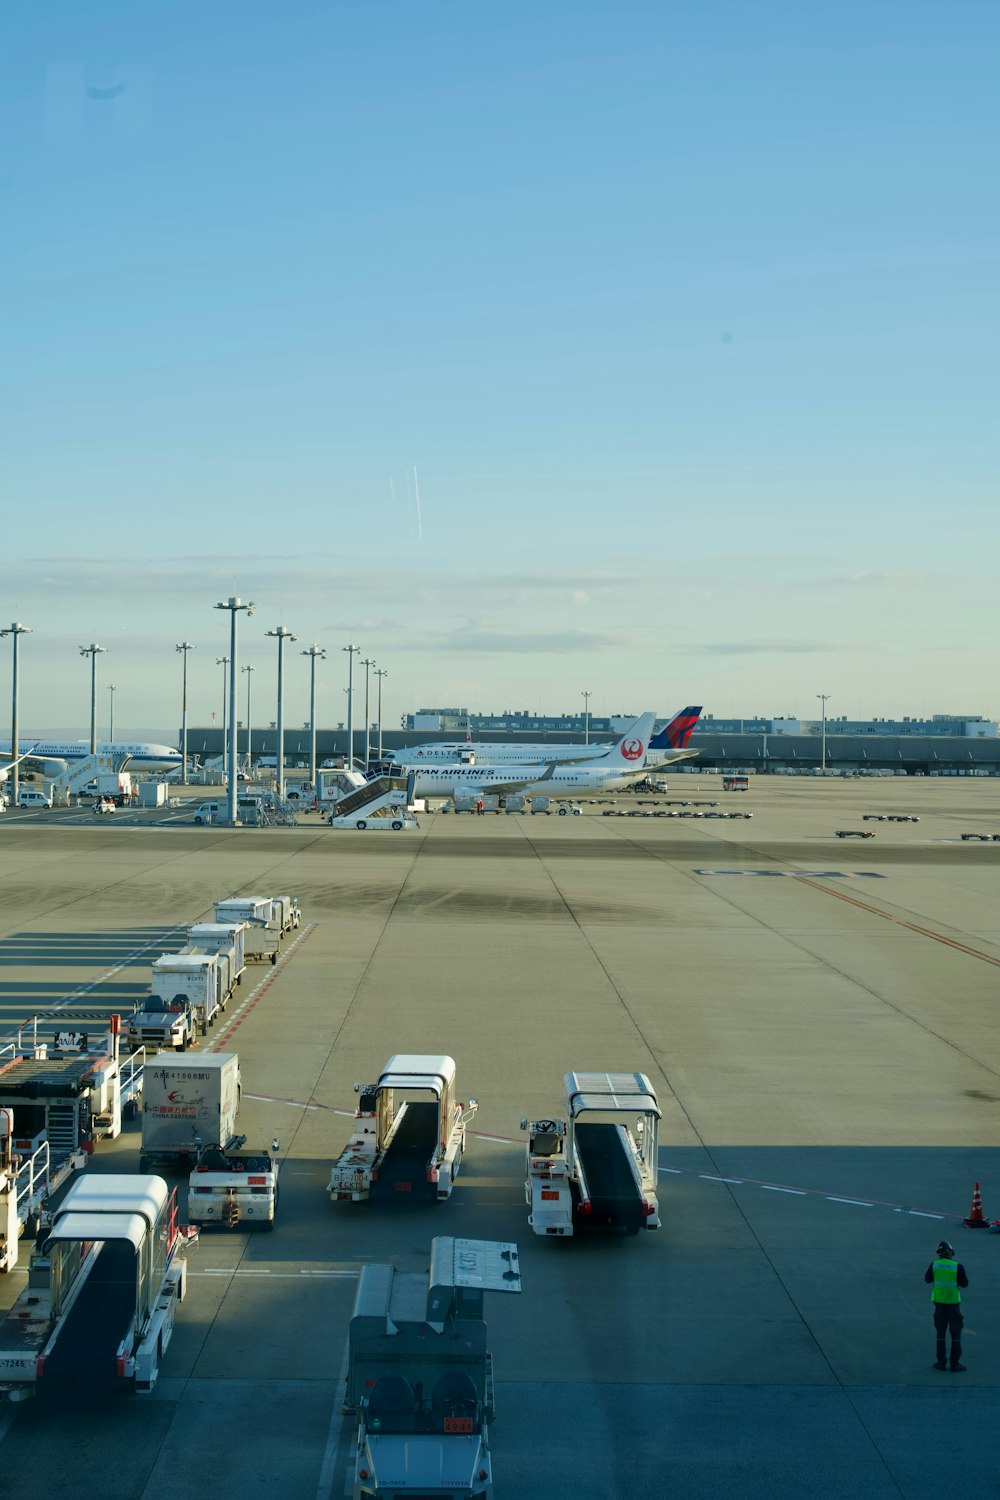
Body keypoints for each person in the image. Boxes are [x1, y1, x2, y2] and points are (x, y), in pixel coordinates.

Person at [925, 1240, 968, 1370]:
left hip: (939, 1305)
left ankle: (941, 1363)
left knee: (940, 1335)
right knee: (955, 1335)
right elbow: (965, 1284)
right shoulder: (957, 1266)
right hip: (953, 1305)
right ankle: (954, 1364)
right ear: (950, 1252)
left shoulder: (934, 1265)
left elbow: (927, 1280)